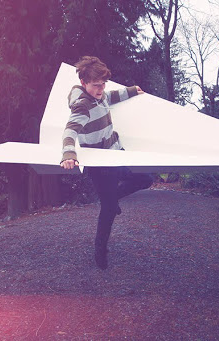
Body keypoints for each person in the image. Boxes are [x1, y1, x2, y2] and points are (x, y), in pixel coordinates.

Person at [60, 56, 153, 269]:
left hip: (116, 153)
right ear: (84, 83)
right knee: (109, 210)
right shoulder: (82, 106)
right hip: (100, 166)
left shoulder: (99, 95)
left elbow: (109, 97)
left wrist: (130, 91)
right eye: (96, 86)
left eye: (103, 84)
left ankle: (113, 199)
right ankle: (100, 251)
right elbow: (70, 130)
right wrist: (68, 155)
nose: (100, 89)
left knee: (146, 178)